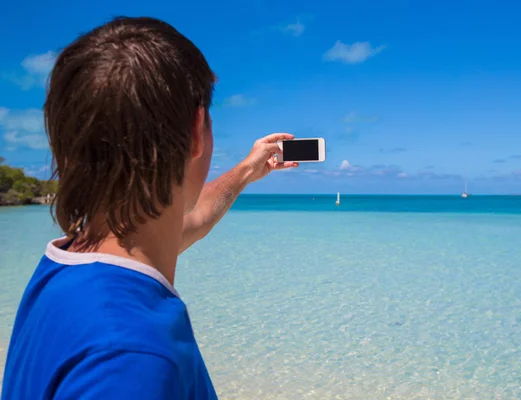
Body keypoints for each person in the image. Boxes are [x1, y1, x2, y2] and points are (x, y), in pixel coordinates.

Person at [1, 16, 298, 400]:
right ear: (197, 130)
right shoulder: (132, 359)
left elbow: (186, 224)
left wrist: (245, 170)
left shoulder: (68, 265)